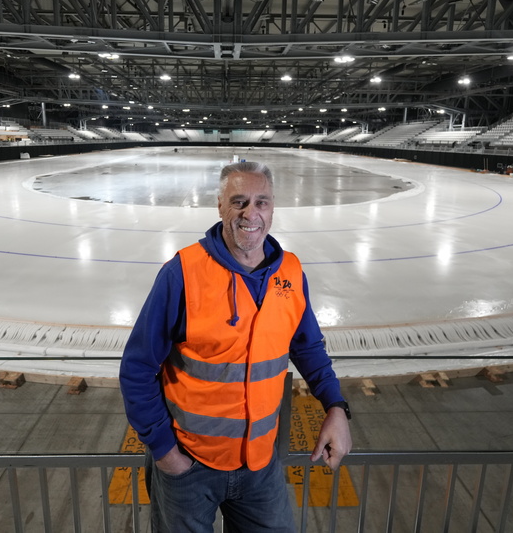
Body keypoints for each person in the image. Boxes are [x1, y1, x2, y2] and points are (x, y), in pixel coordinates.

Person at [119, 160, 352, 533]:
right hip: (189, 466)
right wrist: (166, 455)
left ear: (273, 209)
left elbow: (308, 348)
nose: (251, 213)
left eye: (262, 202)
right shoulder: (183, 273)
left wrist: (336, 407)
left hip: (260, 467)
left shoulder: (290, 273)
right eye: (239, 201)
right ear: (220, 206)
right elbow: (137, 369)